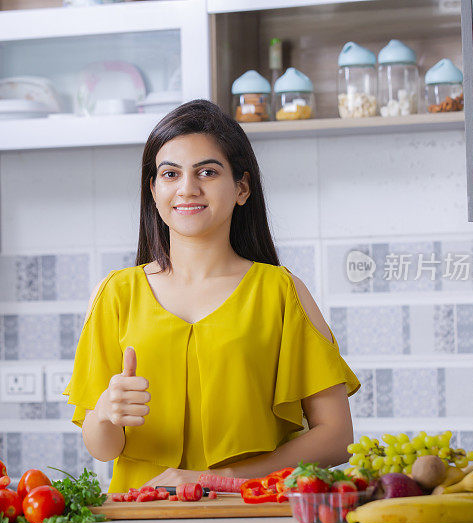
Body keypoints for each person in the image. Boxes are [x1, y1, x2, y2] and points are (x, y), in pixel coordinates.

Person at [64, 99, 360, 493]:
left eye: (207, 171)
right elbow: (103, 450)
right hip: (141, 517)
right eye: (170, 174)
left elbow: (337, 437)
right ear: (153, 190)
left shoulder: (281, 292)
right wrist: (103, 414)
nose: (187, 188)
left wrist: (220, 480)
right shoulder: (116, 294)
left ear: (241, 187)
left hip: (250, 517)